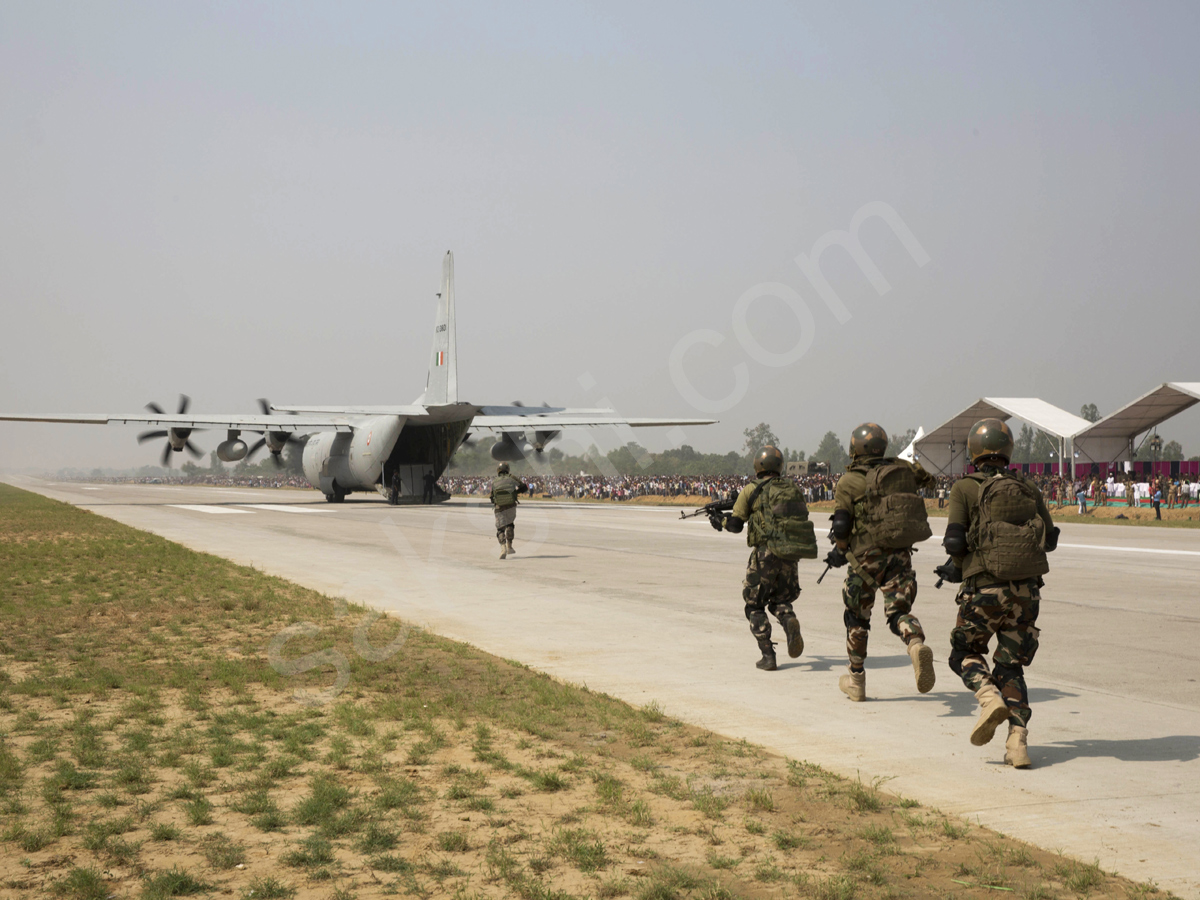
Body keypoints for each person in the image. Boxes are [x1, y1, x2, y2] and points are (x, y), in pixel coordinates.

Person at [936, 418, 1059, 768]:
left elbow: (955, 541)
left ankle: (988, 698)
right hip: (1027, 593)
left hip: (984, 589)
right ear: (1008, 450)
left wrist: (955, 566)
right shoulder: (1028, 488)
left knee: (963, 653)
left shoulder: (965, 488)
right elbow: (1049, 539)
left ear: (974, 450)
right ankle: (1018, 743)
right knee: (1010, 666)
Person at [824, 423, 937, 701]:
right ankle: (914, 644)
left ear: (855, 449)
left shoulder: (850, 481)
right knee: (898, 611)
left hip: (864, 559)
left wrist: (839, 550)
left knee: (857, 618)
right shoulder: (902, 469)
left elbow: (841, 525)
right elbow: (929, 480)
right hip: (899, 554)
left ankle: (856, 680)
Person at [722, 446, 816, 671]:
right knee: (780, 599)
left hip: (765, 554)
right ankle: (788, 619)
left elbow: (736, 525)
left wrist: (722, 522)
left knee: (753, 605)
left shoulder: (751, 489)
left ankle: (768, 655)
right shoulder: (792, 488)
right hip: (790, 554)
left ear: (758, 466)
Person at [489, 463, 529, 559]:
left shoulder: (495, 481)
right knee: (510, 524)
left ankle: (503, 548)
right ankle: (509, 546)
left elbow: (491, 497)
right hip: (510, 505)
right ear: (507, 469)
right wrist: (514, 493)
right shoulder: (512, 477)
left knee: (500, 528)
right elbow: (524, 487)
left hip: (499, 507)